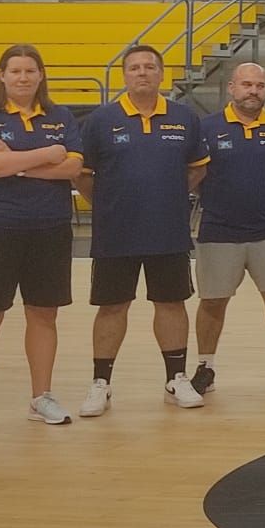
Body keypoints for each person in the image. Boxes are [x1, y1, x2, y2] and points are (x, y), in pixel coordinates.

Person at [75, 42, 210, 417]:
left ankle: (175, 378)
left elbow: (198, 168)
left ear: (161, 74)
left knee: (171, 303)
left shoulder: (184, 117)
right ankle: (101, 383)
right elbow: (83, 176)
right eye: (134, 67)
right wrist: (110, 203)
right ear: (124, 75)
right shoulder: (101, 120)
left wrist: (168, 194)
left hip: (167, 230)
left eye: (150, 67)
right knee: (112, 306)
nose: (142, 73)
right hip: (116, 232)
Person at [0, 44, 84, 434]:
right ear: (2, 75)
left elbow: (73, 167)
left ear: (41, 75)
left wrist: (16, 163)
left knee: (44, 314)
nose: (23, 77)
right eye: (15, 71)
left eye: (30, 71)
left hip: (49, 228)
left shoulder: (61, 116)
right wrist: (47, 152)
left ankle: (41, 397)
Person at [192, 61, 265, 397]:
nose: (252, 91)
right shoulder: (207, 128)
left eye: (259, 85)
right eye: (246, 84)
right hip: (218, 230)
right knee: (212, 302)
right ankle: (205, 366)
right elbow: (196, 175)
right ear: (232, 88)